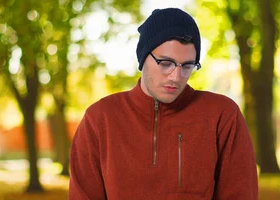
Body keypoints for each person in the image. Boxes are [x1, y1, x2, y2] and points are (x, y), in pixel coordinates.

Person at [69, 8, 258, 200]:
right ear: (143, 58)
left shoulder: (222, 115)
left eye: (187, 66)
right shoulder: (100, 118)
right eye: (165, 63)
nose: (176, 77)